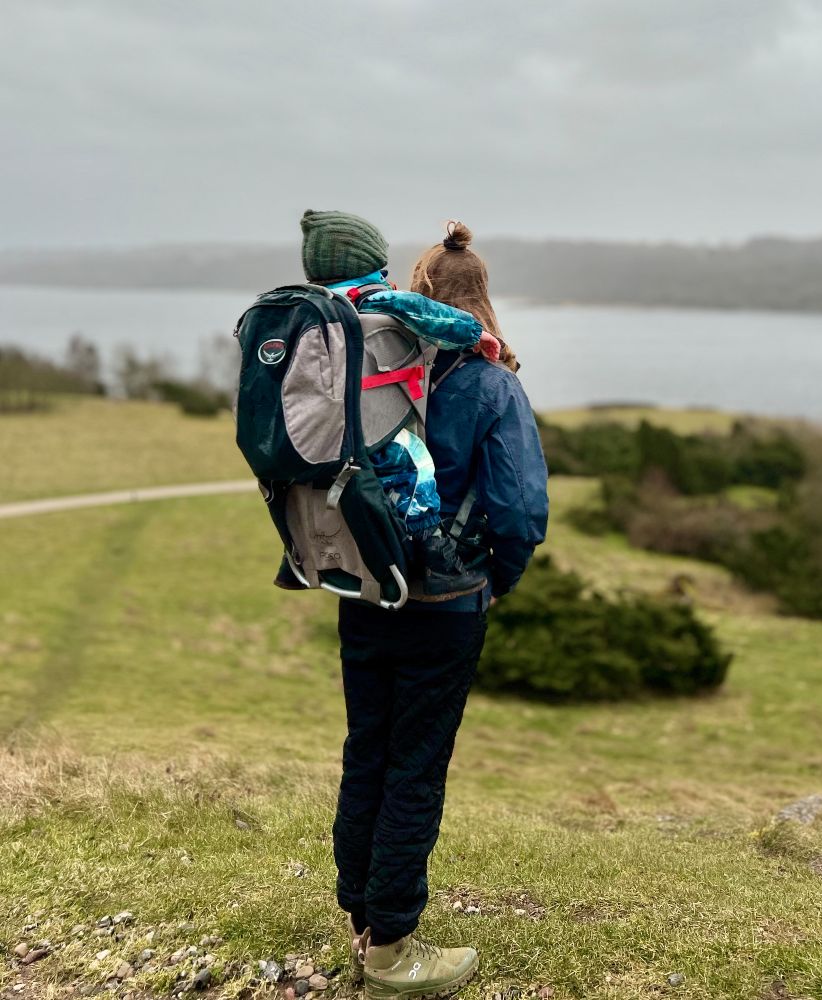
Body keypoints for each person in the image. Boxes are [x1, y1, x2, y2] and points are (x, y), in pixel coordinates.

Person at [333, 220, 548, 999]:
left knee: (368, 750)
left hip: (362, 588)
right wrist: (497, 579)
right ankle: (391, 948)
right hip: (448, 605)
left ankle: (359, 917)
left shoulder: (360, 365)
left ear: (413, 290)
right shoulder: (491, 380)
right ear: (482, 296)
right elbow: (520, 511)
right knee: (415, 767)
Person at [275, 210, 504, 598]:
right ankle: (436, 560)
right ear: (367, 262)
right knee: (413, 463)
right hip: (365, 429)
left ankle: (293, 560)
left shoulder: (304, 309)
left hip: (311, 431)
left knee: (312, 488)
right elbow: (431, 315)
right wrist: (475, 334)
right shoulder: (373, 298)